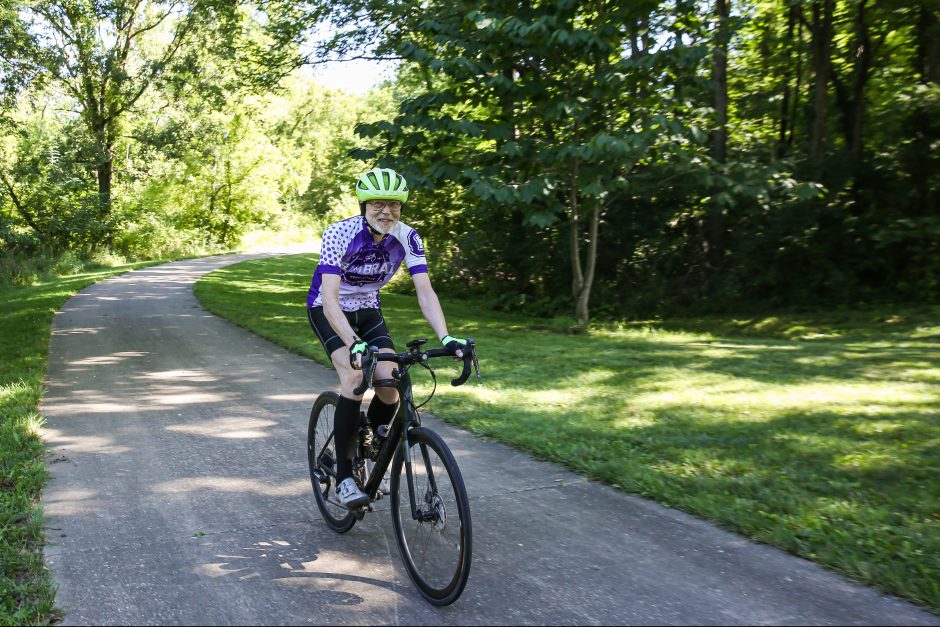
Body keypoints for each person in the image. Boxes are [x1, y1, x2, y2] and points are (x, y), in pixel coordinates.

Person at [306, 167, 468, 508]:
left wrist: (447, 336)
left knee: (390, 383)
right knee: (353, 376)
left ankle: (370, 442)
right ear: (363, 205)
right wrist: (354, 343)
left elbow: (425, 291)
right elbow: (331, 298)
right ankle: (346, 476)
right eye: (378, 204)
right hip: (329, 309)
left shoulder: (409, 237)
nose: (386, 212)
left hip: (368, 308)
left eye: (394, 205)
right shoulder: (339, 234)